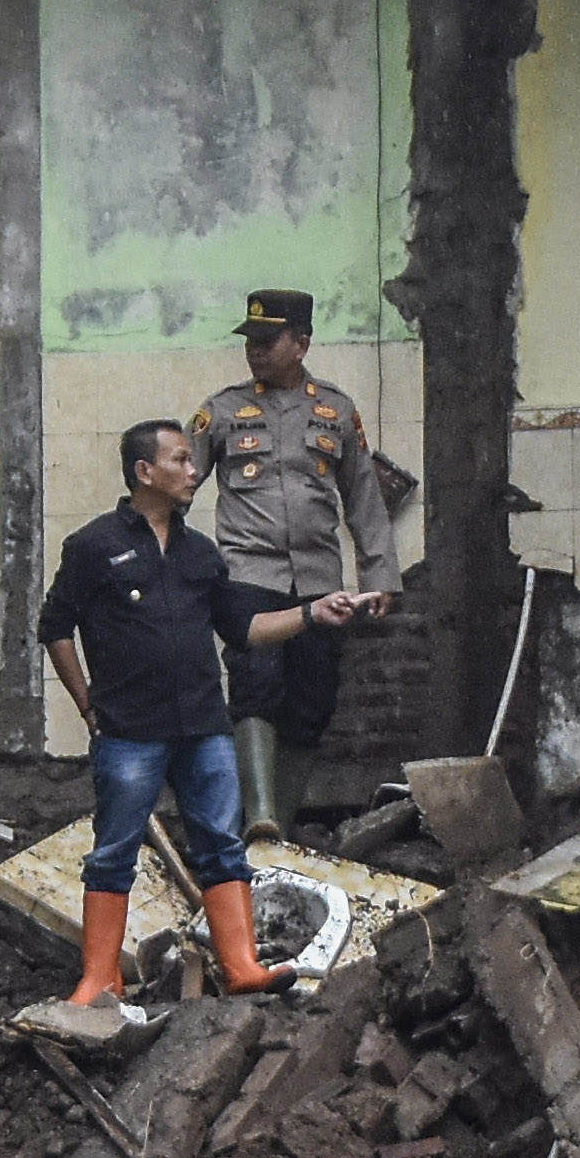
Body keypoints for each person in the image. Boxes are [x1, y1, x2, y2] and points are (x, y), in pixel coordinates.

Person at [34, 416, 378, 1004]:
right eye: (180, 461)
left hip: (203, 728)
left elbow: (241, 629)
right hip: (130, 731)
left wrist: (312, 613)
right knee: (114, 851)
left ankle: (240, 965)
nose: (195, 471)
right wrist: (87, 704)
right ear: (145, 472)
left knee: (222, 844)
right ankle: (99, 978)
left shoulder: (200, 554)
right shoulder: (94, 546)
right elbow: (54, 626)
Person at [187, 286, 398, 832]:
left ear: (300, 343)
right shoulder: (223, 411)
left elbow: (364, 499)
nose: (255, 350)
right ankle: (258, 819)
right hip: (246, 575)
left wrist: (381, 576)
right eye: (250, 340)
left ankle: (280, 820)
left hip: (319, 580)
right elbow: (177, 484)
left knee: (312, 699)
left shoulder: (337, 411)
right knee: (255, 684)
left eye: (268, 339)